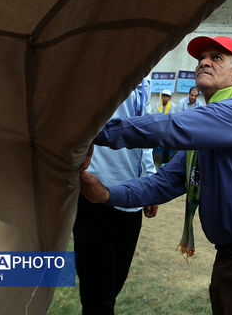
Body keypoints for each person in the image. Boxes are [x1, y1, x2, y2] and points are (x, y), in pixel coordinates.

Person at [80, 35, 232, 315]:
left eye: (215, 57)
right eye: (200, 58)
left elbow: (171, 127)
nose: (203, 62)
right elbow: (165, 181)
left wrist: (90, 133)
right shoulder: (209, 127)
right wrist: (107, 194)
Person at [73, 79, 159, 315]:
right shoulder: (104, 59)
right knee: (98, 299)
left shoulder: (146, 74)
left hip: (130, 198)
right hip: (95, 193)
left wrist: (149, 180)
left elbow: (146, 131)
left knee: (112, 288)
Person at [154, 89, 174, 164]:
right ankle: (154, 160)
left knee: (168, 141)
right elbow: (155, 117)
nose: (165, 98)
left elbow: (173, 118)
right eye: (164, 96)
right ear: (161, 97)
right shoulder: (157, 105)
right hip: (158, 128)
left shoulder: (173, 106)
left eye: (167, 96)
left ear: (170, 98)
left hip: (168, 128)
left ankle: (164, 161)